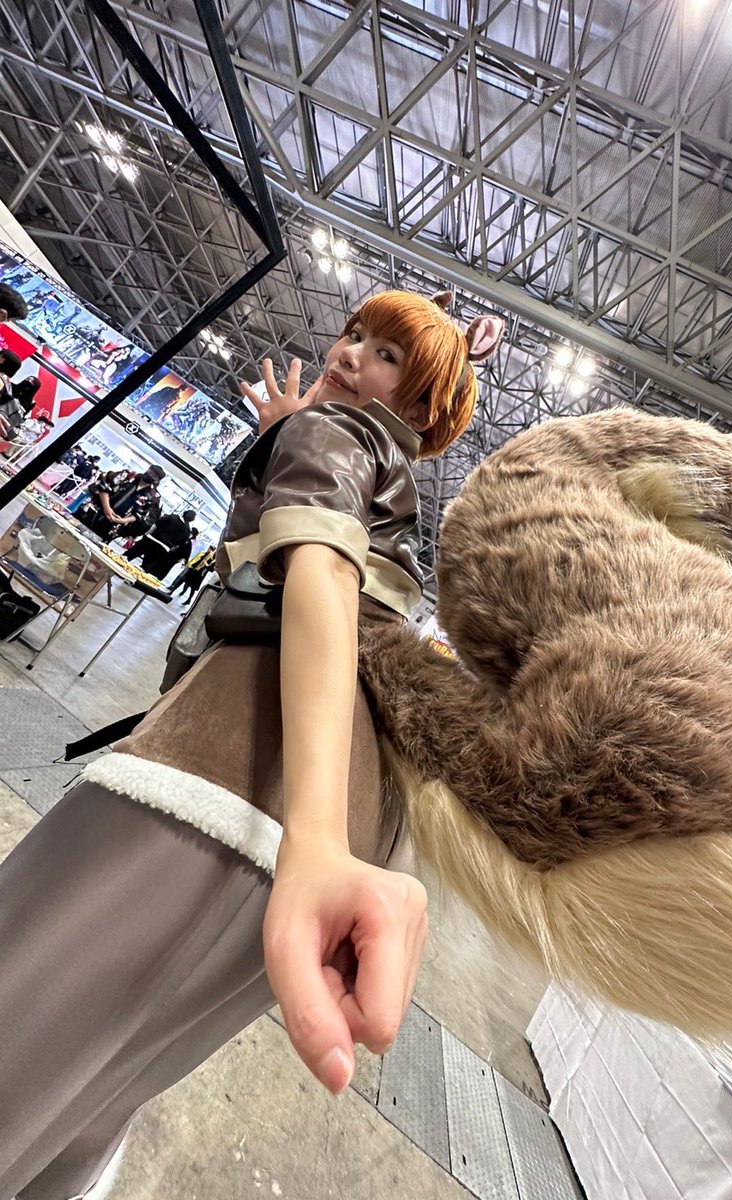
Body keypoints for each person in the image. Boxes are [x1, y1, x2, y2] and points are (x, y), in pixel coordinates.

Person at [0, 289, 504, 1198]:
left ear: (424, 407)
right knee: (95, 1089)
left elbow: (321, 576)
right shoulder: (382, 481)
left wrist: (315, 837)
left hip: (231, 770)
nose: (349, 353)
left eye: (387, 354)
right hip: (333, 828)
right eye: (353, 333)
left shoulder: (333, 436)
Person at [78, 463, 165, 542]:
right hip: (94, 511)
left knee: (96, 544)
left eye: (154, 475)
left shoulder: (153, 497)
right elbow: (104, 485)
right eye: (150, 472)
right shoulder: (128, 476)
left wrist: (123, 521)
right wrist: (107, 508)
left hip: (114, 526)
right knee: (76, 530)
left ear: (157, 480)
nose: (150, 475)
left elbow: (142, 515)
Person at [124, 508, 197, 580]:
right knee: (145, 567)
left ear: (184, 513)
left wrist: (147, 534)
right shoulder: (187, 530)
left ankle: (119, 567)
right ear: (192, 520)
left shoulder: (172, 517)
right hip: (163, 548)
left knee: (128, 555)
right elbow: (180, 544)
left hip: (151, 539)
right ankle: (131, 579)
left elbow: (157, 524)